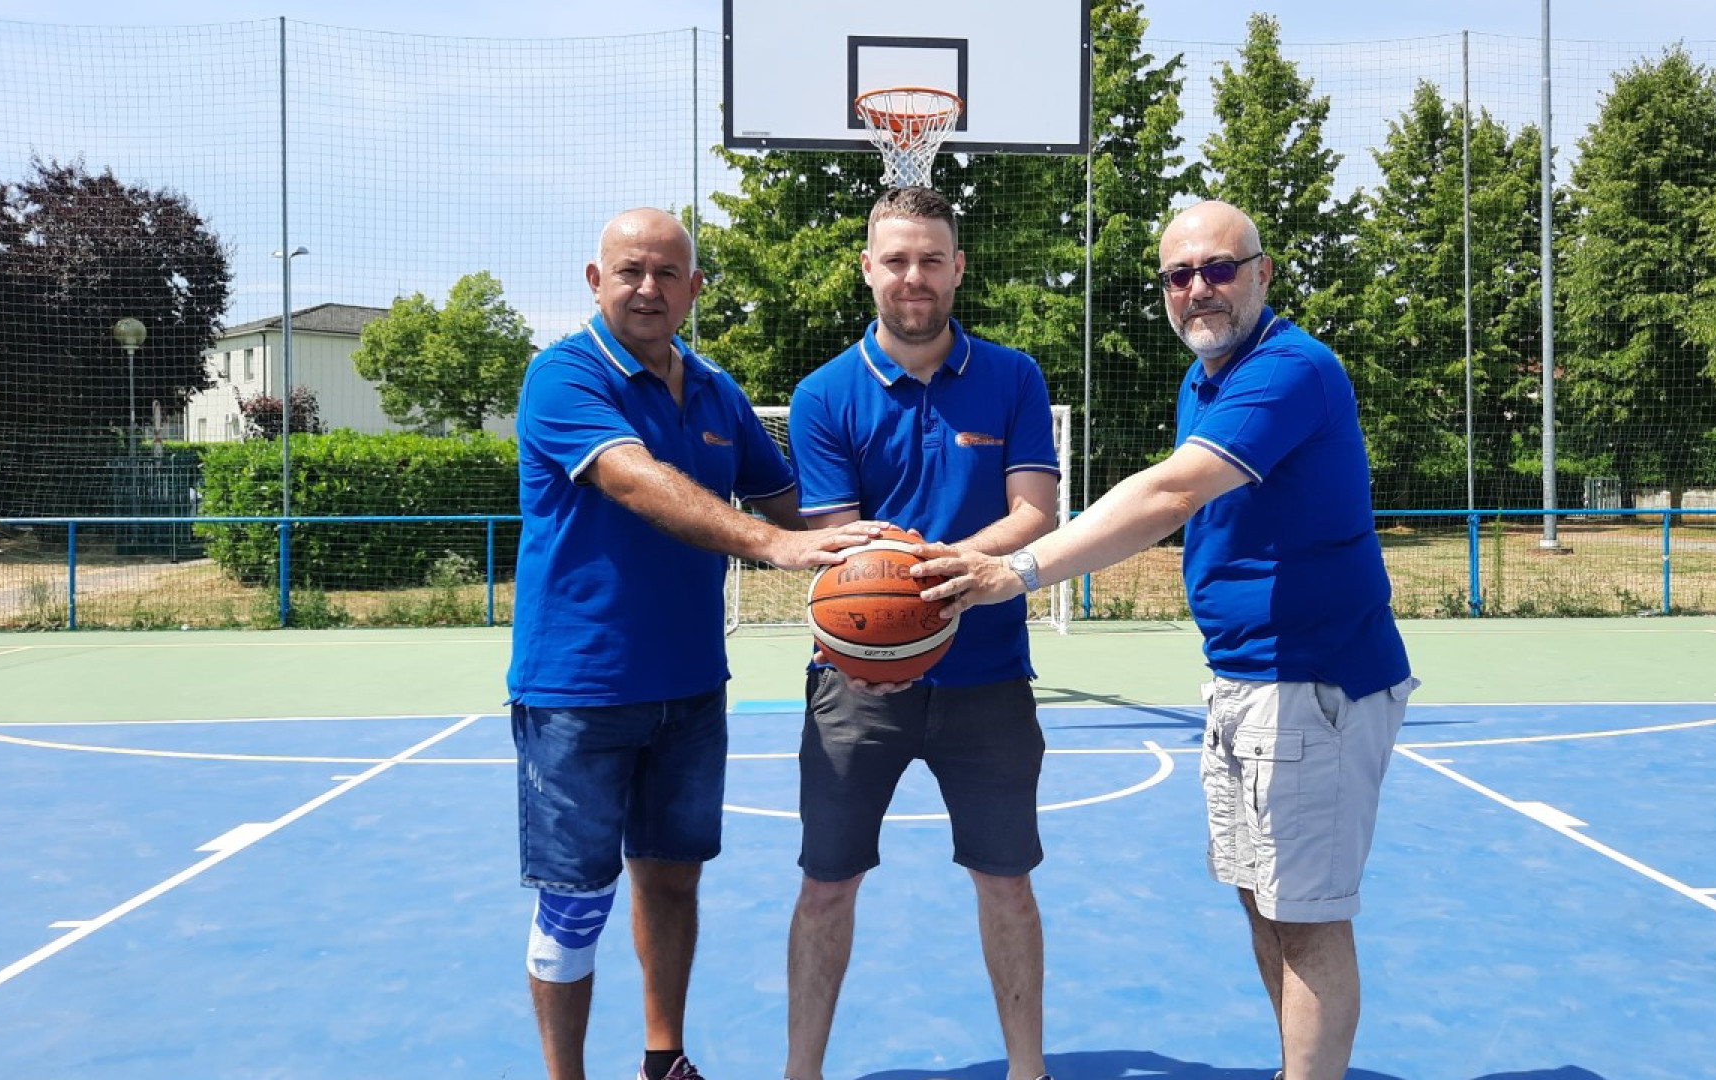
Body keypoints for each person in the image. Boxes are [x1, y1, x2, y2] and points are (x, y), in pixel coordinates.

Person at [914, 199, 1416, 1080]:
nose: (1198, 290)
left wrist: (1017, 571)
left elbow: (1169, 495)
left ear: (1263, 272)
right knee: (1266, 903)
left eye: (1219, 269)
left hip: (1313, 679)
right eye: (1179, 277)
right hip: (1246, 678)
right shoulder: (1208, 376)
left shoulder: (1290, 369)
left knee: (1306, 918)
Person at [507, 208, 881, 1080]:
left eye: (668, 273)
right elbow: (636, 480)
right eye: (630, 271)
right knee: (575, 904)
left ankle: (662, 1058)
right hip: (578, 690)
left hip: (689, 688)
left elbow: (798, 506)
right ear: (594, 282)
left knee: (673, 880)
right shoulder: (562, 378)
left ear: (695, 289)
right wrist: (769, 545)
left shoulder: (715, 392)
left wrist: (899, 547)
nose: (648, 287)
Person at [781, 186, 1062, 1080]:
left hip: (988, 677)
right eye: (896, 259)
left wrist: (943, 577)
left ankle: (1028, 1071)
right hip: (857, 680)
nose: (914, 277)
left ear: (958, 268)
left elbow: (1034, 513)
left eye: (931, 259)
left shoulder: (1013, 376)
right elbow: (842, 545)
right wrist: (904, 600)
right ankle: (802, 1073)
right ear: (867, 269)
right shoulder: (825, 394)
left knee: (1006, 881)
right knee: (826, 885)